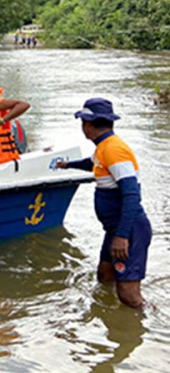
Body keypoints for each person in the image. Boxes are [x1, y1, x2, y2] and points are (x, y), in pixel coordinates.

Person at [55, 98, 151, 308]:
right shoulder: (103, 147)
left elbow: (132, 195)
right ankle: (109, 318)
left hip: (128, 229)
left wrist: (122, 236)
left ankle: (147, 323)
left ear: (87, 125)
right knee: (105, 276)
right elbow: (93, 163)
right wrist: (67, 165)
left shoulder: (114, 150)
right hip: (115, 228)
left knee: (128, 295)